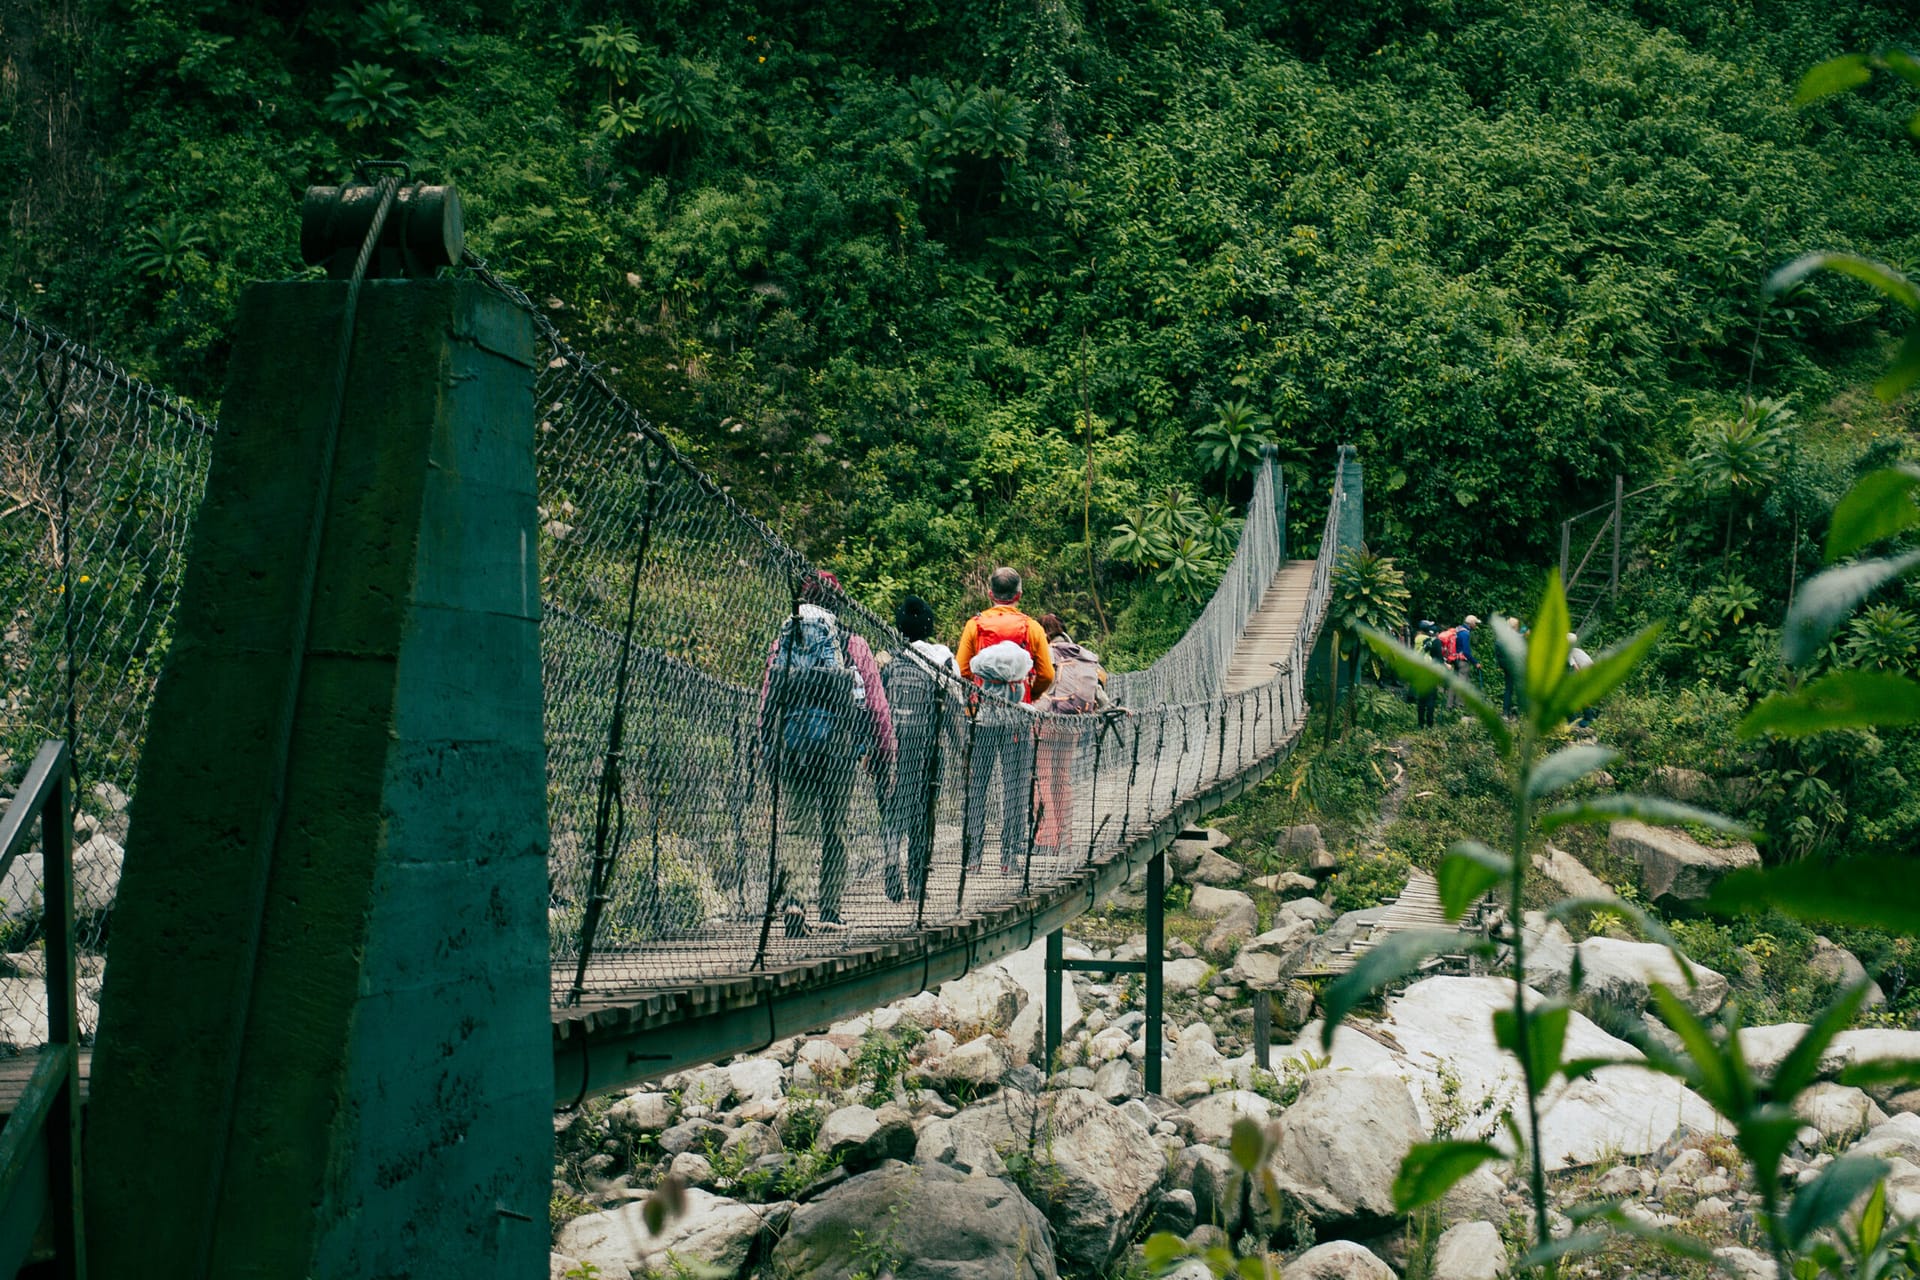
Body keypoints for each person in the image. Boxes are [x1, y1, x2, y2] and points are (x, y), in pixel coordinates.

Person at [758, 569, 895, 934]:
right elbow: (876, 706)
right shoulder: (854, 644)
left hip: (794, 742)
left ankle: (795, 903)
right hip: (839, 745)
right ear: (837, 602)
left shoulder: (785, 640)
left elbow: (769, 694)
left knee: (797, 829)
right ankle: (830, 910)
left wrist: (765, 742)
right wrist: (884, 751)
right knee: (835, 828)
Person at [955, 567, 1054, 874]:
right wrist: (1028, 697)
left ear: (990, 594)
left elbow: (962, 670)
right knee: (1014, 787)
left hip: (983, 717)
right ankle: (1009, 858)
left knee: (978, 786)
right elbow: (1047, 674)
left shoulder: (975, 625)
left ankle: (973, 858)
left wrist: (978, 699)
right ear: (1019, 595)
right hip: (1017, 720)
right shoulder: (1032, 627)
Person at [880, 596, 958, 905]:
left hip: (893, 747)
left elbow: (877, 703)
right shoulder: (941, 660)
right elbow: (953, 706)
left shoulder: (890, 660)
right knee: (921, 817)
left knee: (892, 813)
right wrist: (962, 745)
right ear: (929, 626)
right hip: (927, 749)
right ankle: (916, 880)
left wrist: (871, 747)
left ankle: (890, 868)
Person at [1032, 613, 1112, 860]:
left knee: (1043, 777)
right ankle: (1064, 837)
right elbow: (1100, 694)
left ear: (1043, 632)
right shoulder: (1081, 654)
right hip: (1072, 722)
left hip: (1045, 721)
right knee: (1062, 777)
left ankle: (1046, 838)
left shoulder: (1044, 652)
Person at [1438, 615, 1481, 709]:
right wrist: (1475, 662)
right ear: (1471, 623)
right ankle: (1459, 705)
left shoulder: (1458, 630)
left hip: (1455, 660)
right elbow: (1466, 651)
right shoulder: (1465, 634)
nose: (1476, 625)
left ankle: (1449, 705)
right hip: (1462, 661)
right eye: (1475, 623)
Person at [1495, 615, 1527, 718]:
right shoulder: (1518, 638)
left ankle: (1505, 712)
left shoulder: (1501, 638)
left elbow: (1498, 653)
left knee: (1508, 689)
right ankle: (1521, 712)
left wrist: (1501, 665)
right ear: (1515, 626)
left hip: (1507, 667)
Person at [1414, 621, 1442, 729]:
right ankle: (1430, 724)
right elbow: (1438, 659)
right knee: (1431, 698)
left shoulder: (1418, 639)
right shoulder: (1435, 641)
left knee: (1421, 699)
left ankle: (1420, 724)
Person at [1567, 631, 1596, 728]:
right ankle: (1589, 717)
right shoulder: (1578, 650)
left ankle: (1583, 718)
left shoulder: (1569, 653)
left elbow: (1576, 668)